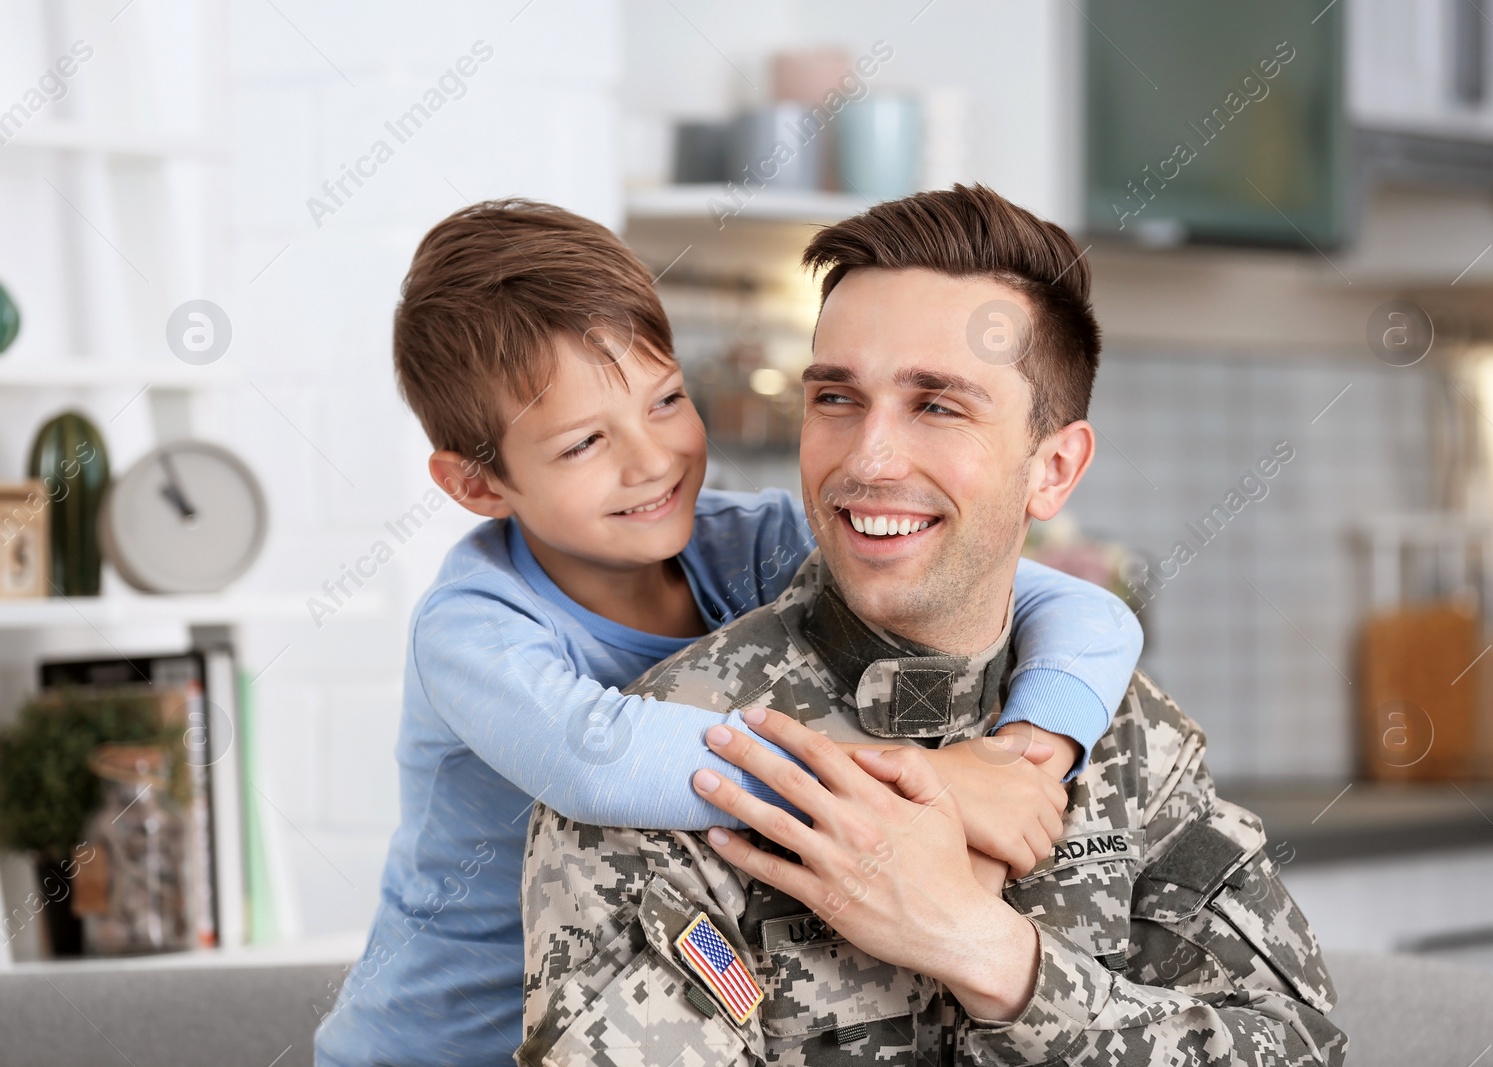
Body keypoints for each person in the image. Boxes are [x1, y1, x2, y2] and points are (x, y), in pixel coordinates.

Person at [519, 185, 1346, 1066]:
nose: (867, 459)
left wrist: (984, 949)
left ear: (1054, 468)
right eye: (836, 397)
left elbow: (1299, 1050)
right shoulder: (670, 775)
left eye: (937, 405)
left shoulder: (1131, 745)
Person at [313, 200, 1145, 1066]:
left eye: (667, 399)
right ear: (478, 485)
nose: (654, 459)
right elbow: (602, 759)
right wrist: (932, 781)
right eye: (585, 442)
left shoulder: (743, 542)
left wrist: (1029, 748)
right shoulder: (474, 624)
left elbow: (1088, 610)